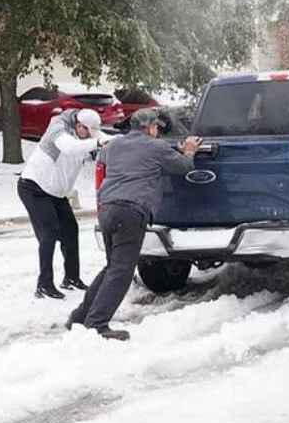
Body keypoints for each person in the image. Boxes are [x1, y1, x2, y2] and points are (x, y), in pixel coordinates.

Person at [66, 109, 202, 340]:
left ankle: (80, 316)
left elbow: (126, 157)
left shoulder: (114, 146)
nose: (158, 131)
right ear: (149, 128)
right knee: (121, 272)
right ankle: (97, 325)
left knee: (112, 267)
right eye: (156, 128)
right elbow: (184, 167)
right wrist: (188, 150)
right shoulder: (156, 147)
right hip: (131, 211)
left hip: (107, 209)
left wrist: (170, 150)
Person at [18, 108, 110, 300]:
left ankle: (71, 278)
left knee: (70, 231)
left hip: (57, 193)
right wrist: (97, 142)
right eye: (87, 131)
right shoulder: (58, 128)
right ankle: (44, 284)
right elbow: (69, 147)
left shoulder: (85, 134)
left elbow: (101, 139)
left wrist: (113, 142)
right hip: (34, 188)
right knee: (48, 234)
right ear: (78, 125)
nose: (89, 136)